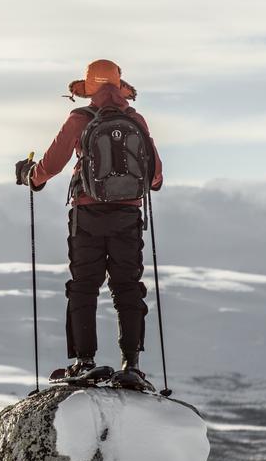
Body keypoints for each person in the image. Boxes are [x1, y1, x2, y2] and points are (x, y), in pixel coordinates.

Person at [15, 59, 163, 391]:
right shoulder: (134, 119)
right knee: (128, 287)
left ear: (89, 88)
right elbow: (155, 176)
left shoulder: (80, 119)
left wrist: (30, 176)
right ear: (120, 84)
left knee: (84, 286)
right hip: (128, 216)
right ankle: (132, 365)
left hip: (87, 214)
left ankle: (84, 362)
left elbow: (51, 163)